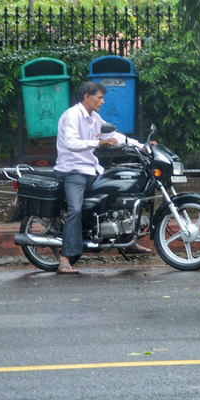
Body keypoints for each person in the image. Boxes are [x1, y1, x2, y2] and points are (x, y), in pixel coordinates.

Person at [53, 81, 147, 273]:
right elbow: (72, 143)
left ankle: (126, 242)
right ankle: (65, 258)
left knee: (117, 198)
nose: (103, 101)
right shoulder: (72, 115)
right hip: (73, 171)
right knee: (75, 210)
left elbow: (115, 135)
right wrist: (99, 143)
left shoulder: (94, 117)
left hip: (92, 170)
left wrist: (142, 146)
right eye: (100, 97)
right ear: (87, 97)